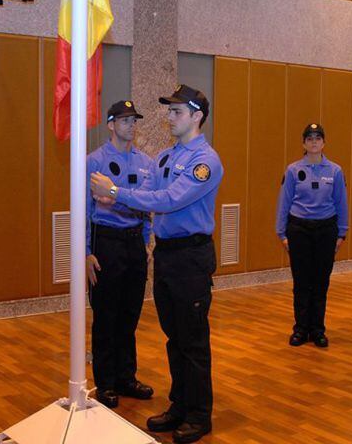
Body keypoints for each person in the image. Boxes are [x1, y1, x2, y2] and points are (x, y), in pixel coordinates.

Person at [91, 84, 222, 444]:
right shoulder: (165, 157)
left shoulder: (204, 162)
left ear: (197, 116)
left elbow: (166, 200)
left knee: (192, 340)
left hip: (191, 257)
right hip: (166, 255)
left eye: (177, 112)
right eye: (169, 111)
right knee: (174, 337)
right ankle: (180, 405)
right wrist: (115, 194)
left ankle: (199, 415)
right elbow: (145, 192)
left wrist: (114, 192)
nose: (170, 117)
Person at [85, 100, 155, 409]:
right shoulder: (94, 161)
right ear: (111, 124)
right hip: (107, 241)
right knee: (106, 314)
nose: (131, 125)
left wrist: (147, 242)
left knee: (130, 313)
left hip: (134, 242)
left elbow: (147, 205)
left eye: (134, 120)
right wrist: (86, 252)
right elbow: (85, 209)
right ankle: (106, 382)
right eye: (125, 120)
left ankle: (127, 377)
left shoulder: (146, 163)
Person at [275, 123, 349, 348]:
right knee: (301, 281)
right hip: (299, 230)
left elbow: (341, 203)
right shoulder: (293, 170)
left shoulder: (335, 171)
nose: (314, 142)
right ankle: (300, 328)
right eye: (310, 138)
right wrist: (282, 233)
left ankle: (317, 329)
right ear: (304, 143)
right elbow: (284, 202)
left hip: (326, 230)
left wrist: (342, 233)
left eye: (318, 138)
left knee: (320, 282)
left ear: (324, 143)